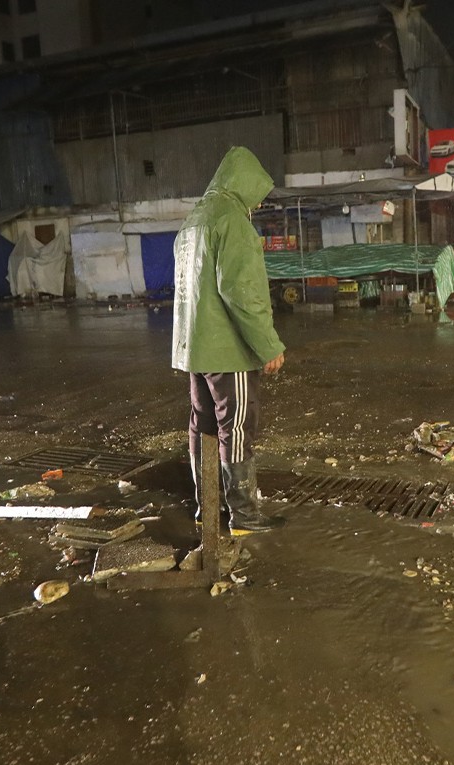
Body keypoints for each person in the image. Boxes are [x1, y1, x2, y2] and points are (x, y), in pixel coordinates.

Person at [172, 146, 287, 532]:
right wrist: (268, 345)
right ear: (244, 183)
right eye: (257, 194)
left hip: (195, 348)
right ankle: (244, 516)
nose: (258, 203)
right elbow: (240, 291)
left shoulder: (194, 219)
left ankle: (208, 509)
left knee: (202, 425)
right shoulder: (231, 221)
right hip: (227, 351)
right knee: (235, 428)